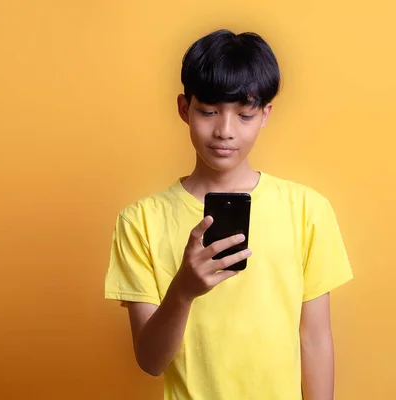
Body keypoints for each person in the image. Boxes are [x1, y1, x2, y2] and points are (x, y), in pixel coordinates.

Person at [105, 29, 353, 400]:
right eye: (208, 112)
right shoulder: (140, 221)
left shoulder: (307, 210)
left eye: (245, 115)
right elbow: (151, 361)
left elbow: (315, 339)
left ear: (265, 114)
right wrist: (183, 291)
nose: (225, 131)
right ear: (183, 108)